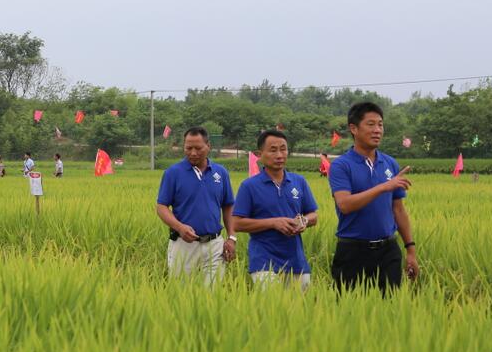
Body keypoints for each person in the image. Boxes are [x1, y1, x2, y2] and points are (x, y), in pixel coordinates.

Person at [328, 102, 418, 292]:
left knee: (389, 313)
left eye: (380, 124)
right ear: (354, 128)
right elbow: (345, 204)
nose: (377, 130)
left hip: (388, 250)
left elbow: (398, 210)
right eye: (371, 124)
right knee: (348, 312)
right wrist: (383, 186)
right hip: (353, 251)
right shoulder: (341, 166)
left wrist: (410, 250)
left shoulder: (390, 163)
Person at [232, 130, 319, 291]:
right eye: (273, 150)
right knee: (272, 308)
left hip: (297, 261)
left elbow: (313, 215)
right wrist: (273, 223)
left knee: (300, 311)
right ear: (260, 154)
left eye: (283, 149)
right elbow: (237, 223)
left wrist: (304, 221)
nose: (279, 155)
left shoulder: (299, 182)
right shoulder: (249, 186)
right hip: (264, 261)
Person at [155, 127, 237, 285]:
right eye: (188, 148)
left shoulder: (220, 173)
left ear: (208, 146)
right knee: (181, 296)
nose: (193, 153)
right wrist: (179, 227)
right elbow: (161, 207)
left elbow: (228, 206)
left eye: (198, 148)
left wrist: (232, 237)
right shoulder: (173, 173)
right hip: (183, 244)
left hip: (214, 245)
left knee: (213, 296)